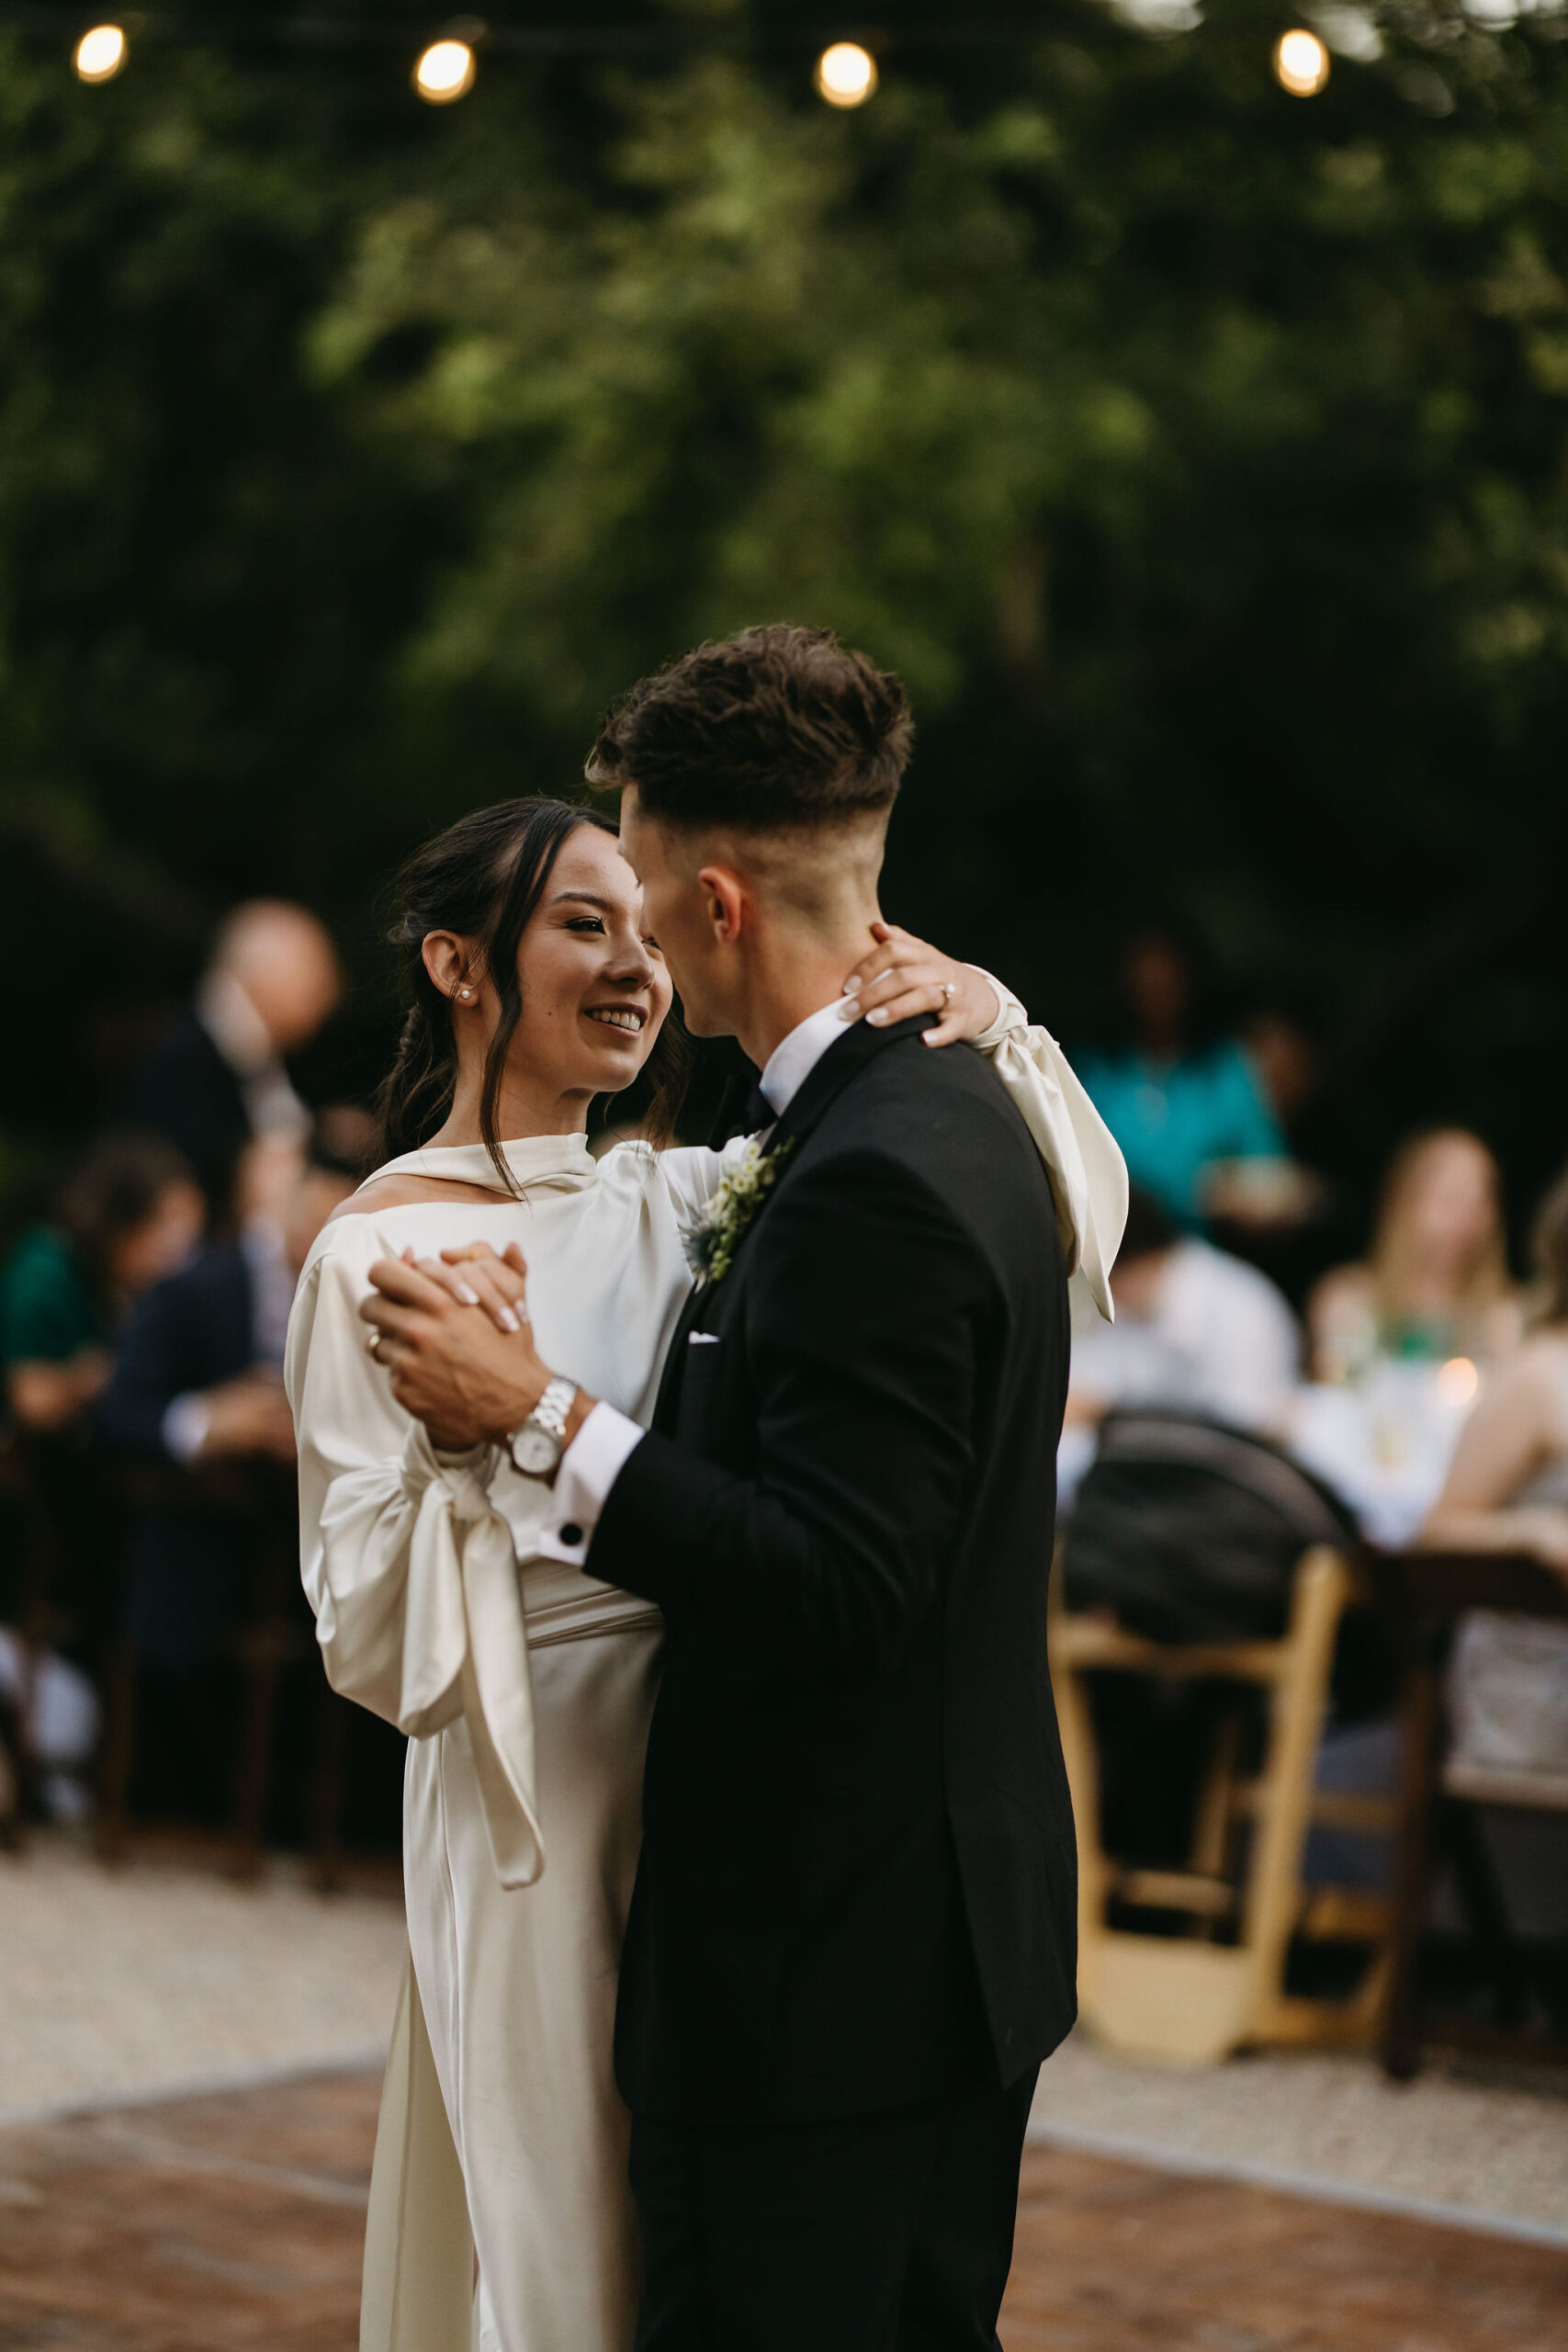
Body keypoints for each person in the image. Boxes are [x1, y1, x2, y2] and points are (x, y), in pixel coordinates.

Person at [353, 629, 1127, 2352]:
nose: (628, 941)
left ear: (713, 903)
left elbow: (844, 1585)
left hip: (820, 1979)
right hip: (902, 1952)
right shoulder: (928, 1114)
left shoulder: (867, 1176)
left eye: (635, 890)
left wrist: (539, 1416)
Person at [98, 1127, 356, 1817]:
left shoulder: (367, 1301)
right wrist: (214, 1422)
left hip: (320, 1550)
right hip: (201, 1539)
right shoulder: (195, 1287)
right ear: (297, 1202)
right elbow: (118, 1411)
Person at [129, 899, 342, 1223]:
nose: (329, 996)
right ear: (265, 972)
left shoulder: (254, 1055)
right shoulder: (187, 1062)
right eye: (316, 971)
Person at [1076, 924, 1287, 1233]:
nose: (1153, 991)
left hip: (1196, 1252)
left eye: (1165, 978)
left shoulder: (1224, 1068)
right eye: (1143, 978)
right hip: (1105, 1252)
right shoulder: (1095, 1069)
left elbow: (1269, 1177)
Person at [1, 1132, 205, 1435]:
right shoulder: (45, 1269)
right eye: (167, 1236)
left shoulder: (130, 1285)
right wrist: (103, 1376)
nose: (179, 1259)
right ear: (120, 1220)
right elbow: (32, 1401)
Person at [1066, 1183, 1301, 1440]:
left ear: (1136, 1266)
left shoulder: (1240, 1308)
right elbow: (1083, 1388)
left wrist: (1107, 1415)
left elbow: (1246, 1425)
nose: (1096, 1294)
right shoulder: (1130, 1305)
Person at [1308, 1126, 1520, 1385]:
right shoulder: (1347, 1299)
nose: (1467, 1219)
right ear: (1406, 1200)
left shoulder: (1506, 1316)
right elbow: (1332, 1391)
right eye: (1452, 1198)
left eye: (1481, 1201)